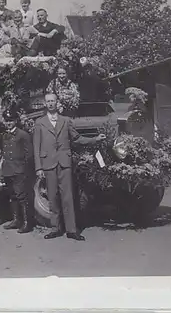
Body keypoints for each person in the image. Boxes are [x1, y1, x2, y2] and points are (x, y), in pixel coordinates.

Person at [33, 93, 106, 240]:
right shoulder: (39, 123)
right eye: (48, 101)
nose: (51, 103)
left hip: (64, 163)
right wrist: (39, 167)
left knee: (67, 196)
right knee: (52, 197)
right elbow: (36, 147)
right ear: (45, 104)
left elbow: (77, 139)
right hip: (48, 163)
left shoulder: (66, 121)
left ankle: (71, 230)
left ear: (57, 103)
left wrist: (94, 139)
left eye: (53, 101)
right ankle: (55, 228)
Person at [0, 109, 34, 234]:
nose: (8, 123)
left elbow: (29, 154)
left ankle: (27, 223)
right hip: (8, 169)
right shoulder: (4, 135)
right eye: (6, 121)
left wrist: (24, 169)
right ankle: (16, 220)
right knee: (12, 196)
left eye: (10, 121)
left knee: (21, 196)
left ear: (15, 121)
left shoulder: (23, 135)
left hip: (19, 170)